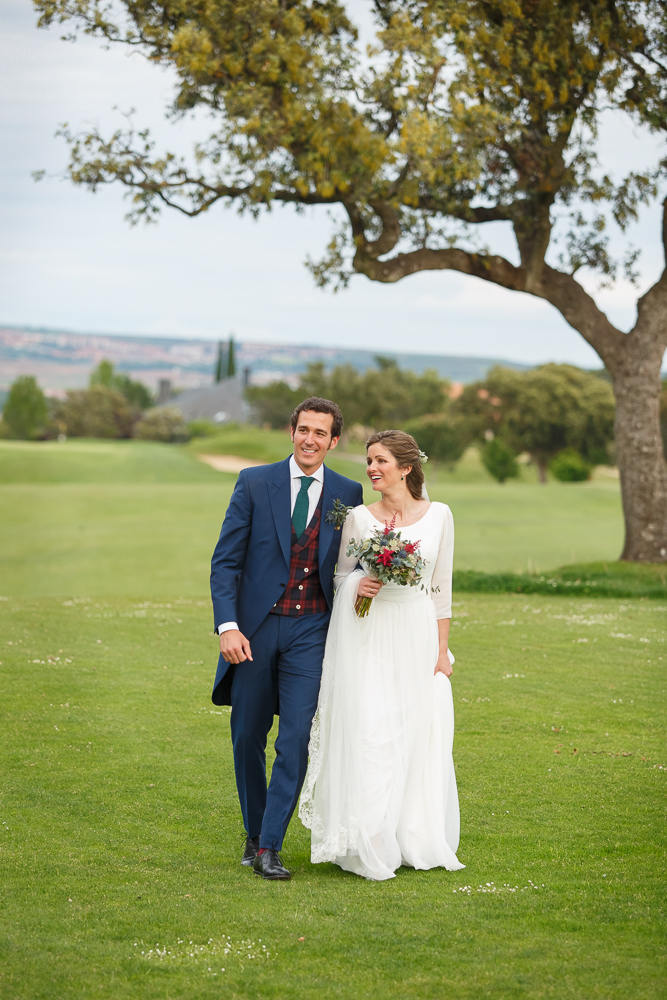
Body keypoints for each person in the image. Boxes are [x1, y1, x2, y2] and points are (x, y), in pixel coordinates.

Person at [300, 430, 465, 881]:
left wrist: (442, 651)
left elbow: (440, 590)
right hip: (368, 635)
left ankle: (409, 836)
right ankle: (368, 841)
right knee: (372, 732)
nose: (372, 468)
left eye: (381, 461)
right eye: (369, 461)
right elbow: (339, 578)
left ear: (406, 468)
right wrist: (360, 584)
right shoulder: (359, 517)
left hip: (415, 634)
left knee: (412, 734)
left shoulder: (440, 517)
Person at [210, 397, 364, 880]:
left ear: (334, 440)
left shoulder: (348, 491)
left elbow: (351, 562)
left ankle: (271, 846)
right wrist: (228, 626)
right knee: (247, 736)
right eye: (304, 430)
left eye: (321, 433)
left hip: (312, 630)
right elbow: (226, 561)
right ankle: (254, 833)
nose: (310, 439)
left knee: (295, 740)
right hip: (254, 629)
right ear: (291, 431)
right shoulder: (255, 482)